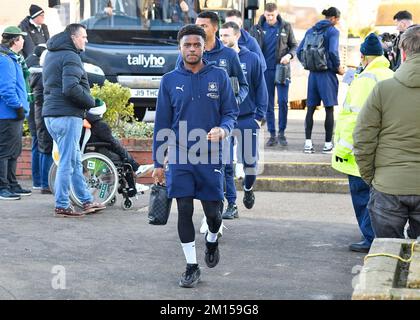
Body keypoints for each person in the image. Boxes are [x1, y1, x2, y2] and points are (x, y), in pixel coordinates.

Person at [153, 24, 239, 288]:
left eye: (197, 45)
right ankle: (191, 266)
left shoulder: (220, 76)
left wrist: (223, 130)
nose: (192, 49)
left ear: (204, 46)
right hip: (180, 156)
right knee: (185, 210)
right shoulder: (169, 80)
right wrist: (158, 162)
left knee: (214, 213)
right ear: (180, 48)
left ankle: (212, 241)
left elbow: (231, 113)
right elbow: (162, 123)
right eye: (187, 45)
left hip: (211, 155)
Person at [353, 25, 420, 239]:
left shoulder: (383, 89)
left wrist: (372, 178)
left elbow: (363, 139)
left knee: (387, 255)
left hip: (388, 186)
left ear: (402, 52)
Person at [332, 34, 394, 253]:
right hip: (384, 147)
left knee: (361, 196)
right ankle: (380, 235)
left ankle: (370, 237)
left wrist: (342, 149)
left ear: (363, 56)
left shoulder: (365, 79)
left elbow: (353, 119)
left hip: (360, 151)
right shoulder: (390, 74)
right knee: (379, 196)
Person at [190, 11, 248, 234]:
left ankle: (214, 216)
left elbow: (243, 86)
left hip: (220, 125)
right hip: (195, 124)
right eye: (196, 25)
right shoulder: (190, 52)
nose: (199, 29)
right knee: (197, 170)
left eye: (203, 26)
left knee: (220, 168)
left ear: (214, 28)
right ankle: (208, 214)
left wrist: (234, 102)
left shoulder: (229, 56)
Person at [42, 24, 106, 217]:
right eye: (83, 37)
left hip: (52, 116)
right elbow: (70, 88)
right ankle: (62, 204)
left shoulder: (51, 54)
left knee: (74, 160)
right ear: (73, 37)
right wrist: (90, 101)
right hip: (68, 115)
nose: (86, 40)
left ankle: (86, 200)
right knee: (67, 163)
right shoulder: (71, 56)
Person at [219, 21, 268, 218]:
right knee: (226, 163)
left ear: (237, 36)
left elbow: (261, 89)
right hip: (224, 121)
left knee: (249, 162)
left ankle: (248, 189)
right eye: (220, 36)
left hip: (248, 118)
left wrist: (259, 117)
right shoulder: (216, 59)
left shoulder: (252, 58)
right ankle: (231, 205)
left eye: (226, 36)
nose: (222, 39)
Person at [297, 7, 345, 154]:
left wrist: (308, 64)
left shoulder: (310, 30)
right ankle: (327, 144)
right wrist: (337, 67)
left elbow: (299, 51)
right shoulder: (333, 31)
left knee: (310, 109)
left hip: (313, 75)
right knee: (329, 109)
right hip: (327, 74)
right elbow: (332, 51)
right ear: (334, 18)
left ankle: (308, 144)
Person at [250, 2, 297, 147]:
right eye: (268, 15)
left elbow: (294, 45)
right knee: (268, 104)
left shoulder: (285, 27)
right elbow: (251, 48)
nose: (270, 17)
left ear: (276, 13)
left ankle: (282, 132)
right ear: (264, 14)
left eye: (272, 15)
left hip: (281, 70)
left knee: (283, 102)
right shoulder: (257, 28)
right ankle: (272, 134)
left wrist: (289, 56)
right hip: (265, 71)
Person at [83, 106, 152, 195]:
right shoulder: (100, 125)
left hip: (90, 151)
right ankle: (133, 182)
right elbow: (112, 143)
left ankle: (136, 170)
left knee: (120, 152)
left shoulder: (85, 122)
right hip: (101, 153)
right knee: (124, 159)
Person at [0, 26, 31, 200]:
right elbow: (6, 90)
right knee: (4, 152)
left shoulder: (13, 58)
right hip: (7, 114)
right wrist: (18, 107)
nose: (23, 41)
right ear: (14, 41)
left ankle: (12, 183)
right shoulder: (5, 60)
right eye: (21, 38)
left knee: (14, 152)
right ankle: (2, 187)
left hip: (13, 114)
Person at [27, 45, 54, 194]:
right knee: (45, 148)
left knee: (40, 146)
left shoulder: (35, 74)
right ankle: (44, 183)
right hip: (42, 115)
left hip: (35, 115)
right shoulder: (44, 77)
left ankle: (39, 181)